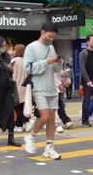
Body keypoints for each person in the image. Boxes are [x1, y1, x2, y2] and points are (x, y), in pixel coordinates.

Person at [22, 22, 62, 160]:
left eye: (53, 37)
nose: (51, 39)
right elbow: (28, 68)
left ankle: (49, 147)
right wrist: (46, 62)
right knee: (44, 116)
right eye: (49, 36)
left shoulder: (51, 47)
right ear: (42, 32)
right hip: (38, 86)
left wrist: (58, 63)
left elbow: (57, 69)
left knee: (52, 118)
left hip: (51, 87)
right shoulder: (31, 47)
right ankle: (31, 136)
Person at [11, 44, 33, 133]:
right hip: (26, 86)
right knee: (24, 105)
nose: (13, 52)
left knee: (17, 106)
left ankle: (27, 122)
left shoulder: (14, 61)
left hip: (16, 85)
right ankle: (18, 125)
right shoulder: (26, 61)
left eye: (14, 50)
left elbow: (11, 73)